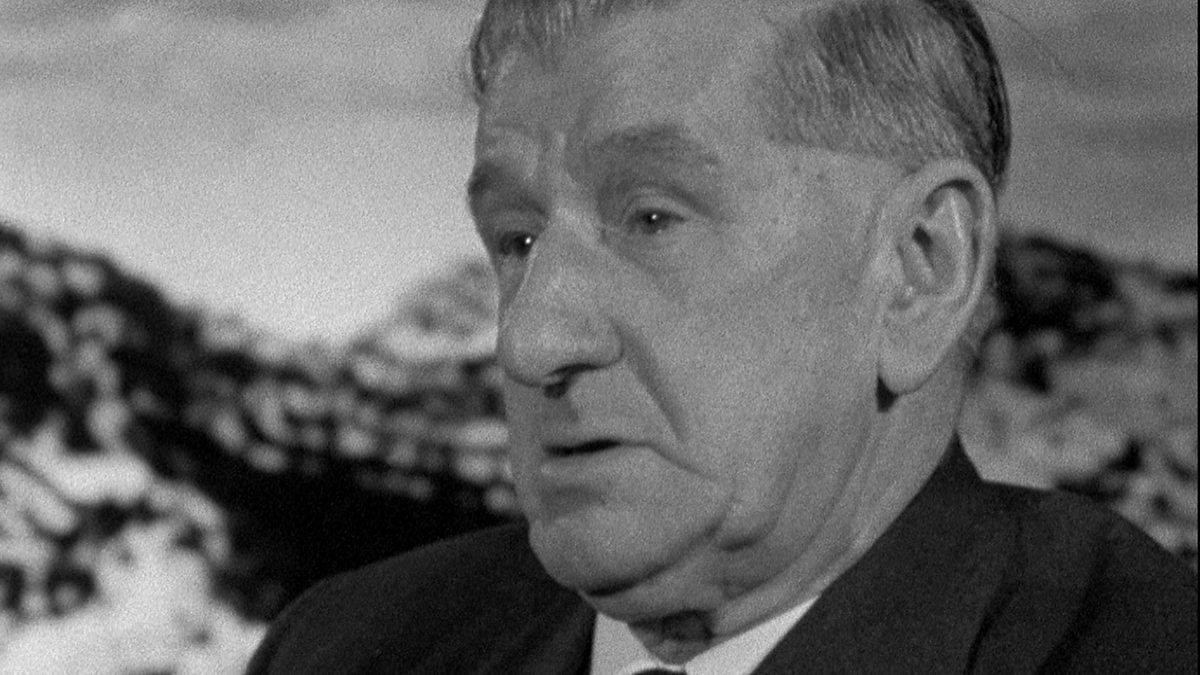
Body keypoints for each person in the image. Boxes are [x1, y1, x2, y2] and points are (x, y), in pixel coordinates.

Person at [247, 0, 1198, 672]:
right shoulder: (343, 647)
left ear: (920, 267)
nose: (528, 339)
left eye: (652, 219)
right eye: (518, 239)